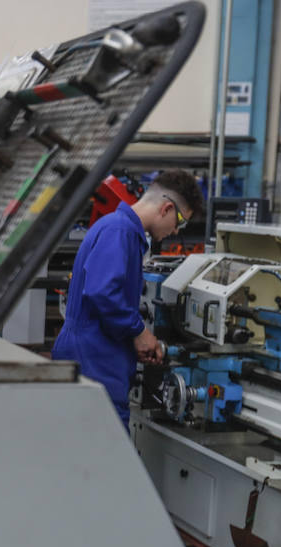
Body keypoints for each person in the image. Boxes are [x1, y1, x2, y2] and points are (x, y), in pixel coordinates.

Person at [52, 170, 203, 425]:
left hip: (97, 352)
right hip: (94, 358)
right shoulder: (119, 231)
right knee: (105, 455)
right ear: (166, 208)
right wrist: (139, 331)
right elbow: (102, 291)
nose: (176, 231)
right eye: (180, 221)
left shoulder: (122, 230)